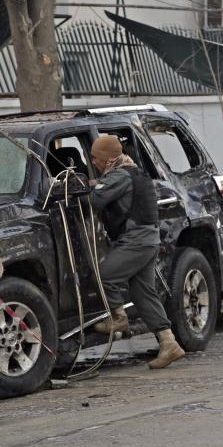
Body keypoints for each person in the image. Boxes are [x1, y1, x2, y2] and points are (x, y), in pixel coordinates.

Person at [88, 134, 185, 370]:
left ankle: (119, 319)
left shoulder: (119, 176)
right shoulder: (132, 171)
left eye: (95, 158)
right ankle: (169, 343)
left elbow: (95, 199)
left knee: (105, 275)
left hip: (136, 241)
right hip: (148, 240)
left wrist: (80, 188)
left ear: (108, 159)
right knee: (143, 294)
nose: (92, 162)